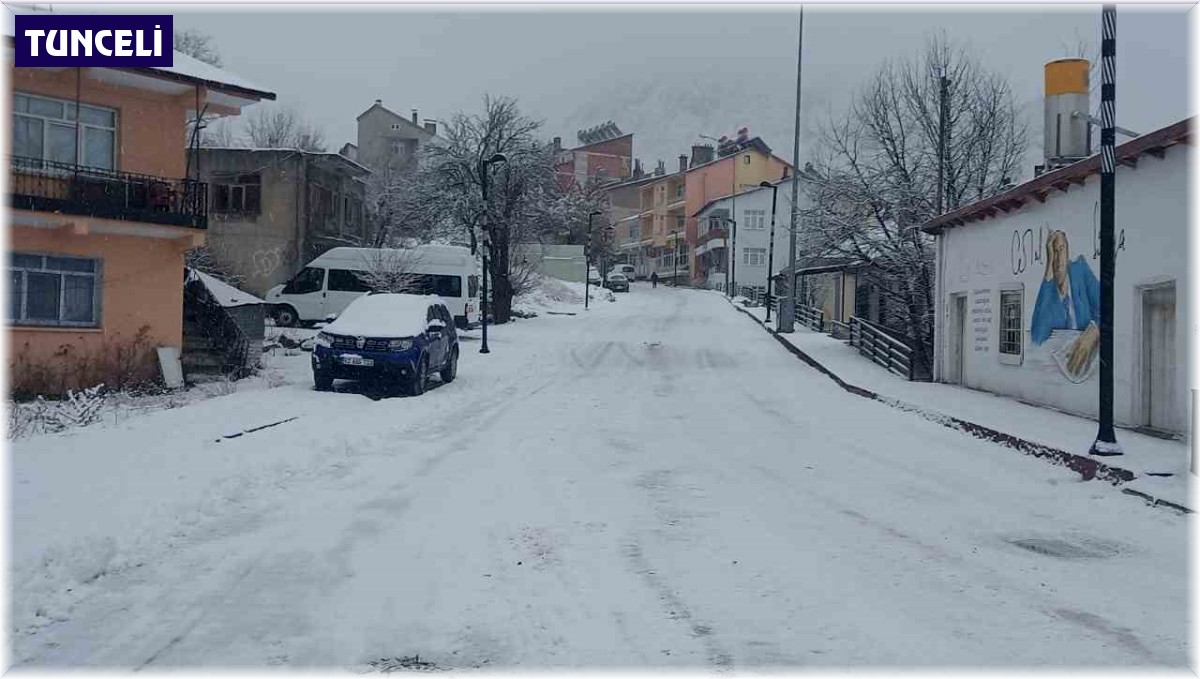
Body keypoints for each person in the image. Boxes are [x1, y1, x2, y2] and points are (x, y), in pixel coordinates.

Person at [1030, 230, 1101, 377]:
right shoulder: (1048, 289)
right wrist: (1049, 268)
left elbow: (1108, 306)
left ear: (1068, 251)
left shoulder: (1080, 270)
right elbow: (1038, 335)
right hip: (1057, 369)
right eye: (1053, 252)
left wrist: (1094, 330)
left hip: (1089, 363)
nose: (1058, 257)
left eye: (1061, 249)